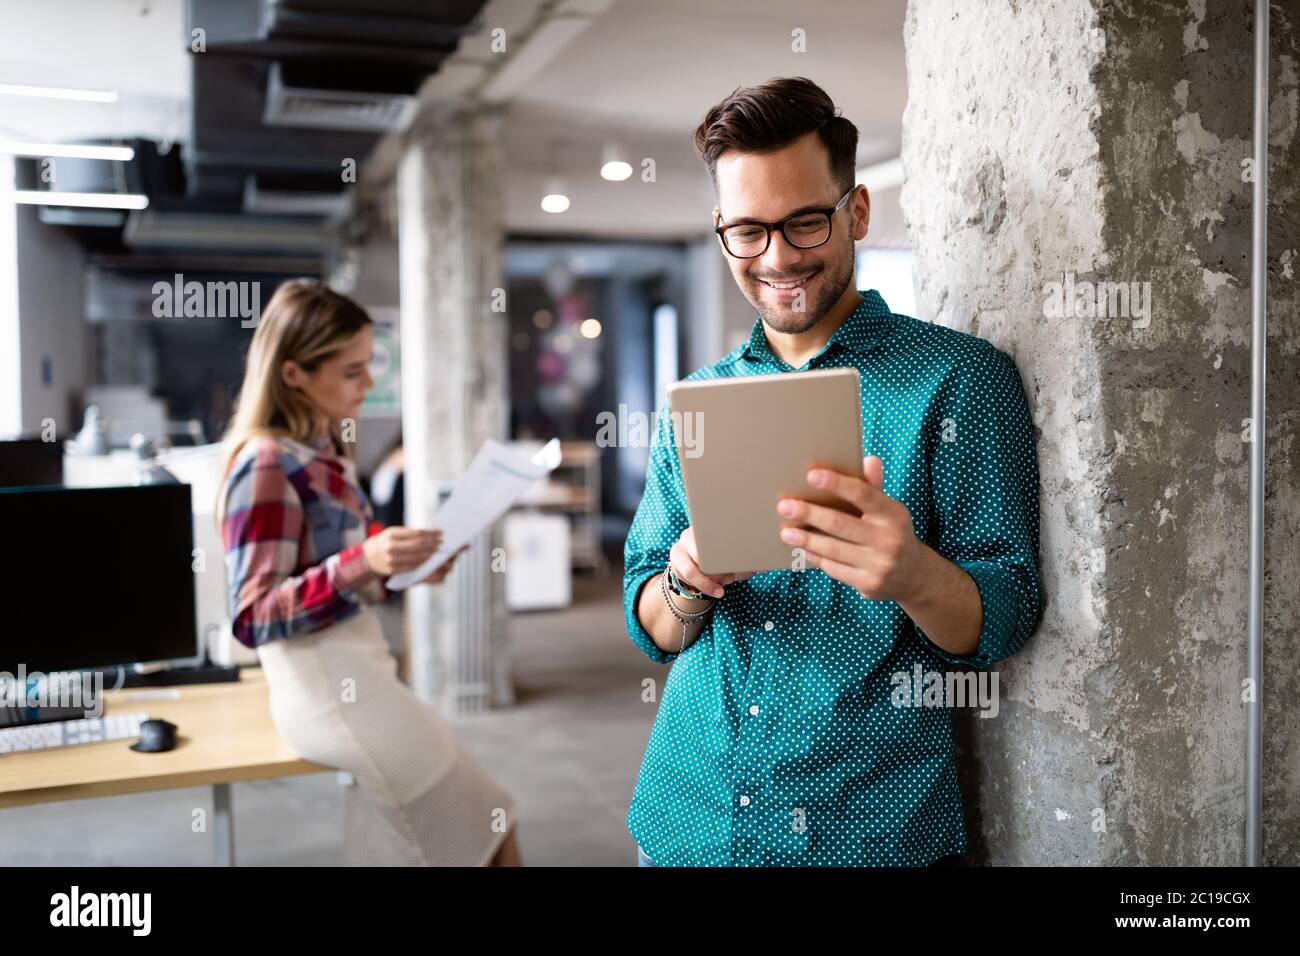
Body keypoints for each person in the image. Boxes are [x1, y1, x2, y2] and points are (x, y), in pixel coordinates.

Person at [623, 77, 1043, 866]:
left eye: (805, 222)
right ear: (721, 232)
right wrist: (685, 578)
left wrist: (914, 574)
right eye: (747, 230)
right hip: (688, 815)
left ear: (854, 212)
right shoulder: (701, 399)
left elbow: (1007, 613)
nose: (777, 257)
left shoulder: (958, 380)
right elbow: (649, 621)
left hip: (865, 829)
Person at [218, 279, 521, 866]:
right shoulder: (265, 464)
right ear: (293, 374)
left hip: (361, 673)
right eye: (352, 371)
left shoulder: (322, 449)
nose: (369, 383)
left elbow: (331, 574)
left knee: (422, 844)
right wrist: (364, 562)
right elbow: (252, 615)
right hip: (327, 688)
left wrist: (399, 571)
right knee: (491, 830)